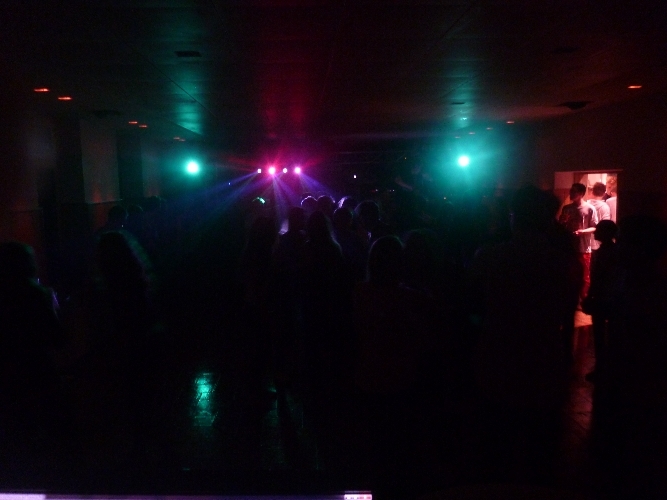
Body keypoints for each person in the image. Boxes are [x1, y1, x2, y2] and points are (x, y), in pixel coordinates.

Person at [581, 220, 621, 382]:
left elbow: (597, 278)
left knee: (599, 334)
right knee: (612, 333)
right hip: (614, 297)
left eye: (598, 230)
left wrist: (590, 295)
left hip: (601, 297)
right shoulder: (617, 251)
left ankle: (601, 367)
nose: (595, 232)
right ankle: (611, 368)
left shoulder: (602, 253)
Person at [559, 183, 598, 302]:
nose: (570, 193)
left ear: (581, 194)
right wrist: (562, 222)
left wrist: (582, 232)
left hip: (583, 247)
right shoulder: (567, 208)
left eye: (574, 192)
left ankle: (584, 300)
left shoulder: (589, 208)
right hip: (568, 247)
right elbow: (561, 227)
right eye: (571, 191)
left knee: (585, 276)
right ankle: (571, 300)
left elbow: (595, 227)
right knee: (568, 274)